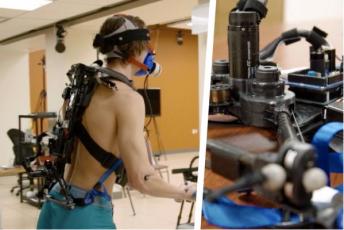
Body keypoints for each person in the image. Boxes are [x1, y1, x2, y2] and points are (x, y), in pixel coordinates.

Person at [37, 14, 196, 229]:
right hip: (86, 213)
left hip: (56, 201)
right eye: (148, 47)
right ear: (138, 49)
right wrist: (182, 192)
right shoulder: (128, 99)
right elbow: (140, 179)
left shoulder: (81, 87)